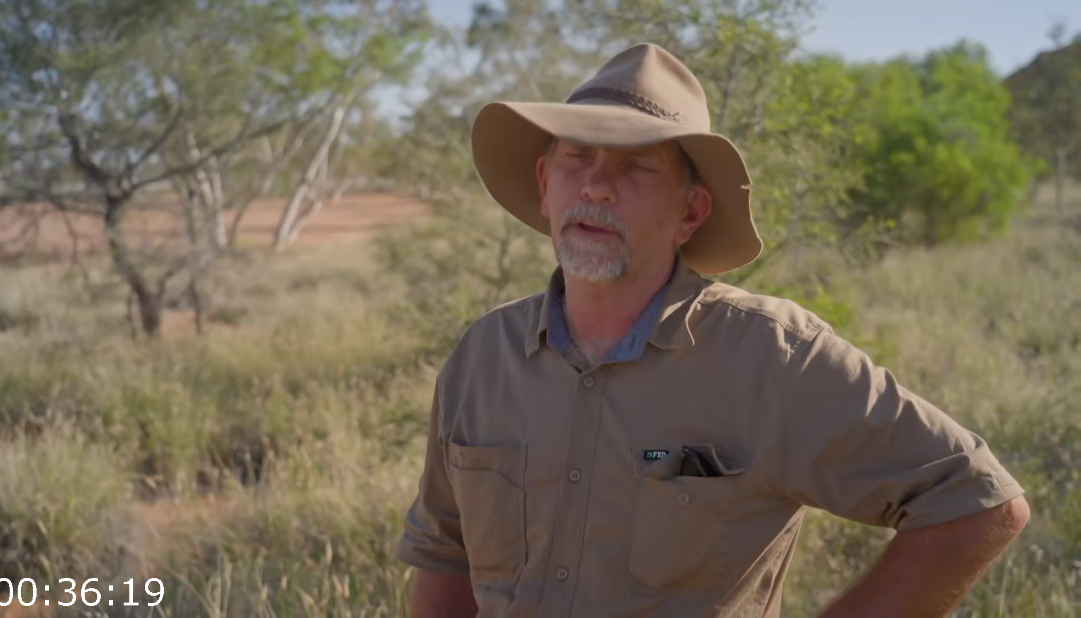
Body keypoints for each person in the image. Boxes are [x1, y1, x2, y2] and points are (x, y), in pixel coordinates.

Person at [394, 43, 1030, 618]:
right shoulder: (484, 355)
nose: (596, 186)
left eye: (637, 166)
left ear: (691, 211)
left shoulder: (774, 358)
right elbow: (445, 551)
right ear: (544, 184)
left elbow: (976, 501)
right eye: (576, 157)